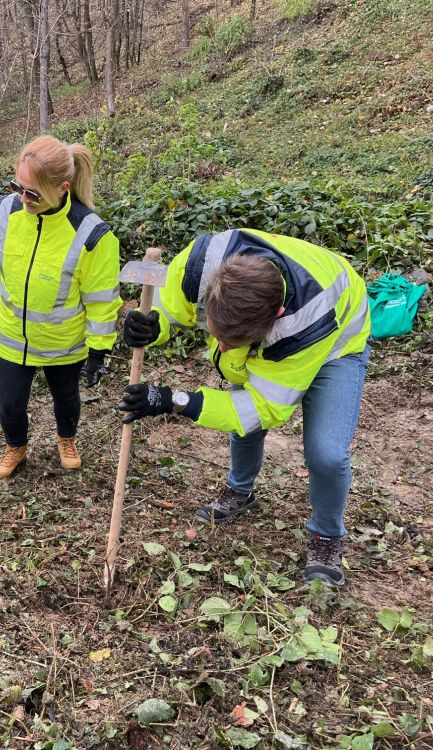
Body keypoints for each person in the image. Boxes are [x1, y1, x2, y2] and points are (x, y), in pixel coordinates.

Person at [118, 228, 370, 587]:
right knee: (241, 401)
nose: (217, 345)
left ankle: (327, 536)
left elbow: (258, 409)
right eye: (215, 331)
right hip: (274, 322)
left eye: (230, 340)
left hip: (338, 340)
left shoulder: (301, 325)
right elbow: (170, 307)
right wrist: (151, 326)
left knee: (326, 452)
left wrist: (170, 399)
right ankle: (241, 489)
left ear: (271, 323)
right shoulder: (201, 263)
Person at [0, 135, 121, 478]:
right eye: (18, 186)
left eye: (32, 193)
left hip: (62, 344)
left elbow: (101, 300)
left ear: (63, 187)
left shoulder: (92, 235)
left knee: (66, 400)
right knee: (10, 404)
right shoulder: (4, 211)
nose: (23, 198)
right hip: (10, 338)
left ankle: (67, 439)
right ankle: (16, 448)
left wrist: (99, 351)